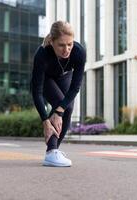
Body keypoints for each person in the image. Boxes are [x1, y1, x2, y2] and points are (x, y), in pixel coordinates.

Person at [31, 21, 86, 167]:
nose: (66, 49)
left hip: (65, 75)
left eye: (70, 44)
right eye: (61, 45)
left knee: (66, 107)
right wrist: (45, 121)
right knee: (60, 104)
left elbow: (75, 87)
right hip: (47, 78)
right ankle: (52, 152)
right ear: (52, 41)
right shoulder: (42, 54)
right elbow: (36, 91)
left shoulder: (79, 52)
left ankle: (53, 151)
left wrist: (58, 112)